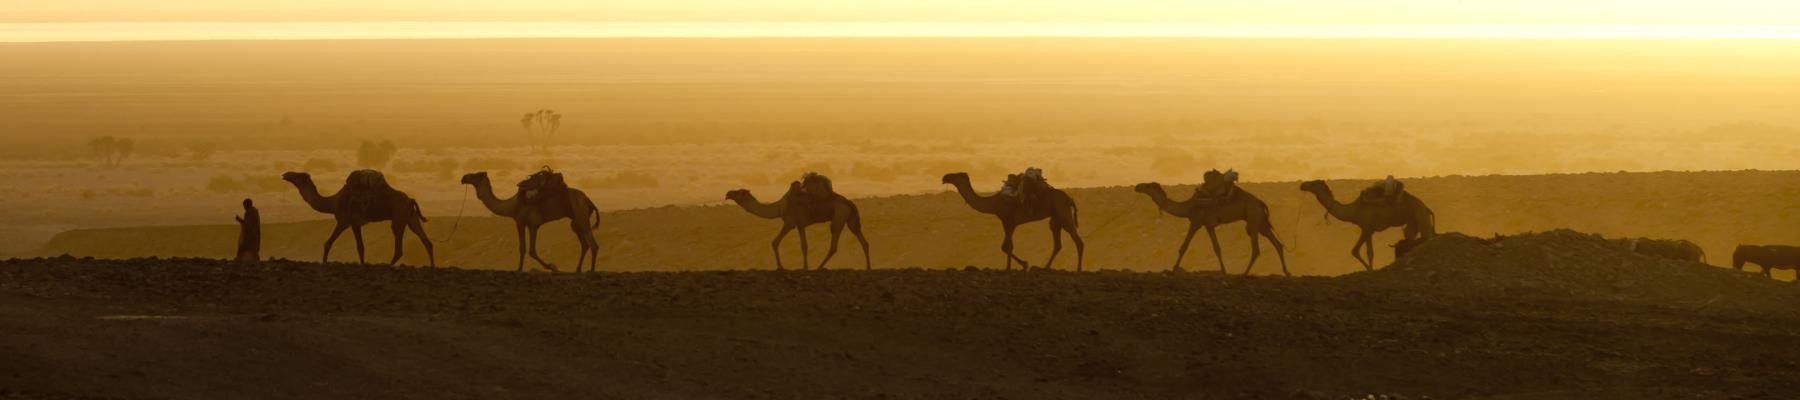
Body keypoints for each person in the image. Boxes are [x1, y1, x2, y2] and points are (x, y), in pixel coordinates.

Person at [234, 198, 260, 263]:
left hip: (249, 234)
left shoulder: (249, 212)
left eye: (244, 206)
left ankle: (239, 260)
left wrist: (239, 219)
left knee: (242, 248)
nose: (244, 207)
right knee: (253, 249)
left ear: (247, 205)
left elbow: (247, 224)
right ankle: (255, 260)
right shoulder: (255, 211)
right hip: (255, 234)